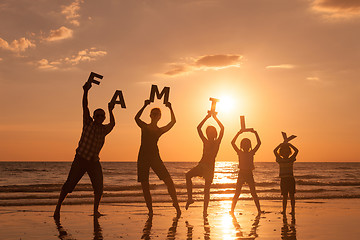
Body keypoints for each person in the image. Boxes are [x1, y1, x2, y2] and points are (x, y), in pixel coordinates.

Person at [53, 80, 115, 219]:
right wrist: (86, 91)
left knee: (99, 188)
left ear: (104, 117)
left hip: (94, 162)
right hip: (80, 159)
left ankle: (95, 211)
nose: (100, 117)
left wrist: (111, 110)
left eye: (102, 115)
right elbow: (85, 106)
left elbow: (113, 123)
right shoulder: (88, 123)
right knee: (69, 185)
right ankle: (57, 209)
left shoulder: (104, 130)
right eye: (97, 115)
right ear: (94, 117)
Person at [135, 100, 181, 217]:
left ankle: (176, 204)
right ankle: (150, 211)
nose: (155, 116)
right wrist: (144, 105)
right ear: (150, 116)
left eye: (157, 114)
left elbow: (173, 122)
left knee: (169, 181)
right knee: (145, 186)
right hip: (143, 158)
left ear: (160, 117)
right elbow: (136, 118)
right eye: (153, 114)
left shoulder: (159, 130)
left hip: (155, 157)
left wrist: (170, 107)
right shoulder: (145, 127)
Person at [185, 112, 224, 216]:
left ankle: (205, 211)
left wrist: (215, 118)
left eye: (212, 132)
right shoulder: (205, 141)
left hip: (210, 168)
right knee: (188, 175)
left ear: (214, 134)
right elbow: (198, 128)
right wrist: (206, 117)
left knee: (207, 190)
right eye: (208, 132)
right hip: (202, 165)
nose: (209, 134)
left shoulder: (217, 142)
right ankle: (190, 199)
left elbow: (222, 128)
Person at [230, 128, 262, 214]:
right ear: (241, 146)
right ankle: (232, 210)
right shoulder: (240, 152)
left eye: (247, 144)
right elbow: (232, 143)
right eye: (244, 144)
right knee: (237, 193)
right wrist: (238, 133)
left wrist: (255, 133)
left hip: (249, 173)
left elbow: (259, 143)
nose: (246, 146)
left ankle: (259, 210)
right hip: (242, 173)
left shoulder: (251, 152)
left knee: (253, 193)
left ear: (250, 145)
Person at [274, 140, 299, 215]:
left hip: (290, 179)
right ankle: (284, 210)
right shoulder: (280, 160)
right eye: (284, 152)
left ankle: (293, 210)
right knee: (284, 196)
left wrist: (289, 144)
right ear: (281, 153)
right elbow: (274, 151)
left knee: (292, 196)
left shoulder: (291, 159)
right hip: (283, 180)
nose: (285, 153)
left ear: (289, 152)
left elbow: (297, 151)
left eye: (287, 152)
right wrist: (280, 144)